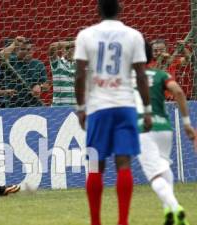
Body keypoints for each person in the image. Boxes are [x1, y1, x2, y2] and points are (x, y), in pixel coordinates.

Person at [73, 1, 152, 225]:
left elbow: (79, 75)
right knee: (124, 163)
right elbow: (142, 75)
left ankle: (96, 221)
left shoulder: (85, 35)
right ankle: (122, 221)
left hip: (98, 107)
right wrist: (146, 110)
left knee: (96, 164)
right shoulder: (134, 36)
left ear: (98, 10)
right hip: (125, 105)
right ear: (121, 9)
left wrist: (81, 108)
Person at [135, 41, 195, 225]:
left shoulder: (130, 77)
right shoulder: (161, 74)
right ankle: (168, 212)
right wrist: (187, 124)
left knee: (154, 176)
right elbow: (178, 91)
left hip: (144, 128)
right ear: (153, 55)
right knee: (163, 167)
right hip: (164, 129)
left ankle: (176, 208)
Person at [49, 39, 76, 106]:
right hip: (59, 109)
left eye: (73, 48)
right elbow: (52, 46)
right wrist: (75, 42)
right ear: (62, 50)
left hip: (76, 109)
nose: (70, 50)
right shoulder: (57, 63)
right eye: (67, 48)